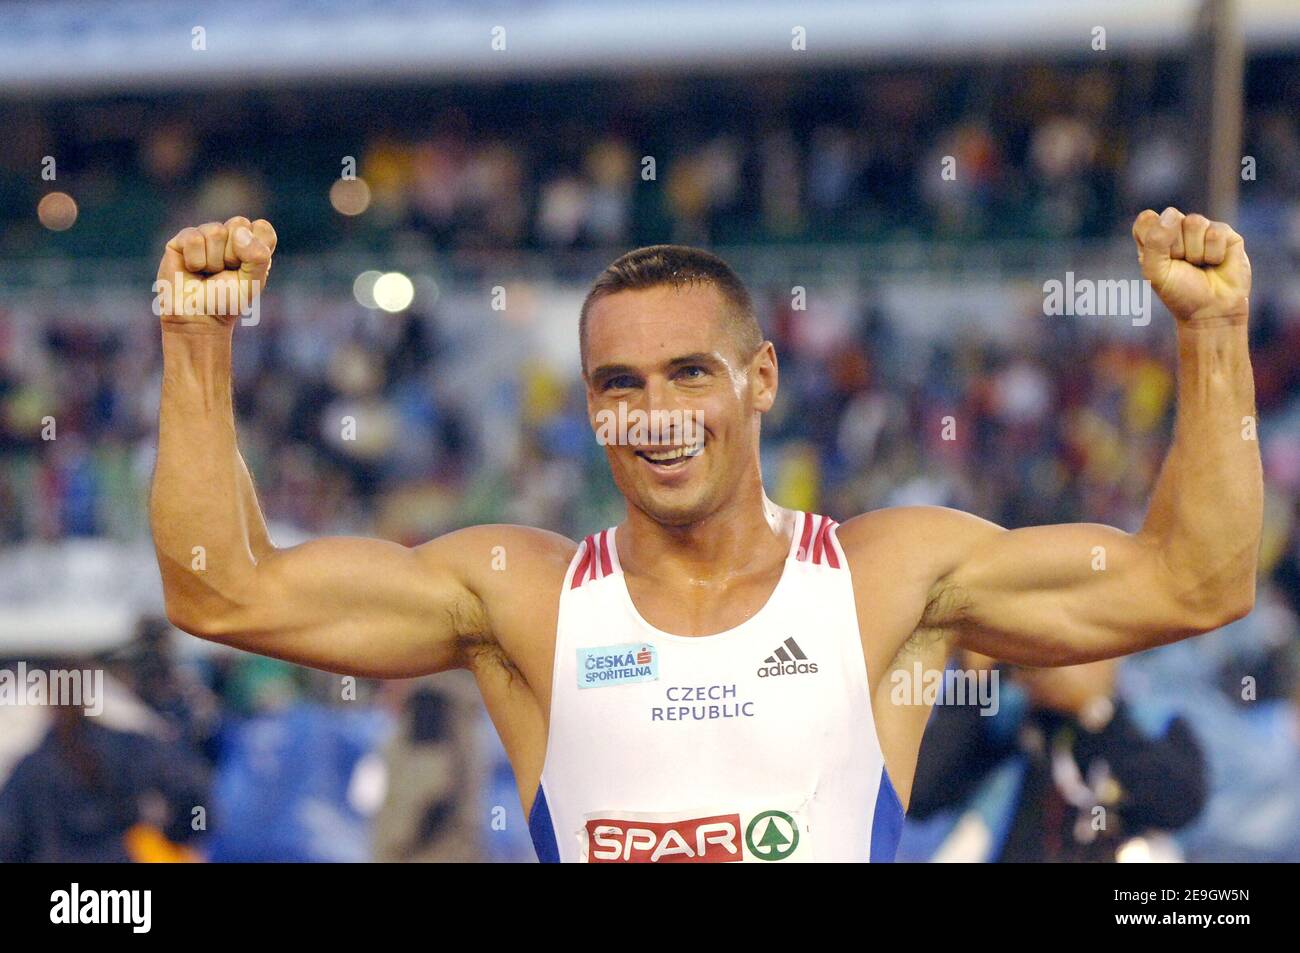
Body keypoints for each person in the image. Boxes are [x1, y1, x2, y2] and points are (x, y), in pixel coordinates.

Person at [150, 209, 1260, 862]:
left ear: (761, 376)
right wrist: (197, 350)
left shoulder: (887, 576)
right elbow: (225, 592)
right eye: (619, 382)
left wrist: (1211, 336)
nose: (659, 409)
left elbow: (1194, 580)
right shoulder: (521, 598)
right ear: (590, 407)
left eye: (691, 370)